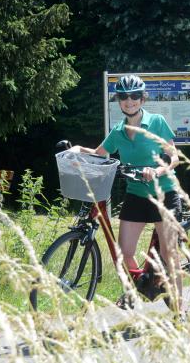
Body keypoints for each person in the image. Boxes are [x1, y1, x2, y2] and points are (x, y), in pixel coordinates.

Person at [69, 74, 182, 309]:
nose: (129, 101)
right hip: (136, 194)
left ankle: (179, 310)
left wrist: (157, 170)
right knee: (124, 253)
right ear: (119, 100)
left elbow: (174, 157)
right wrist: (78, 149)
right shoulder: (118, 131)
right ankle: (142, 285)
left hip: (164, 193)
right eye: (123, 96)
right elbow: (99, 153)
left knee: (169, 253)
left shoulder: (157, 122)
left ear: (142, 99)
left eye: (134, 96)